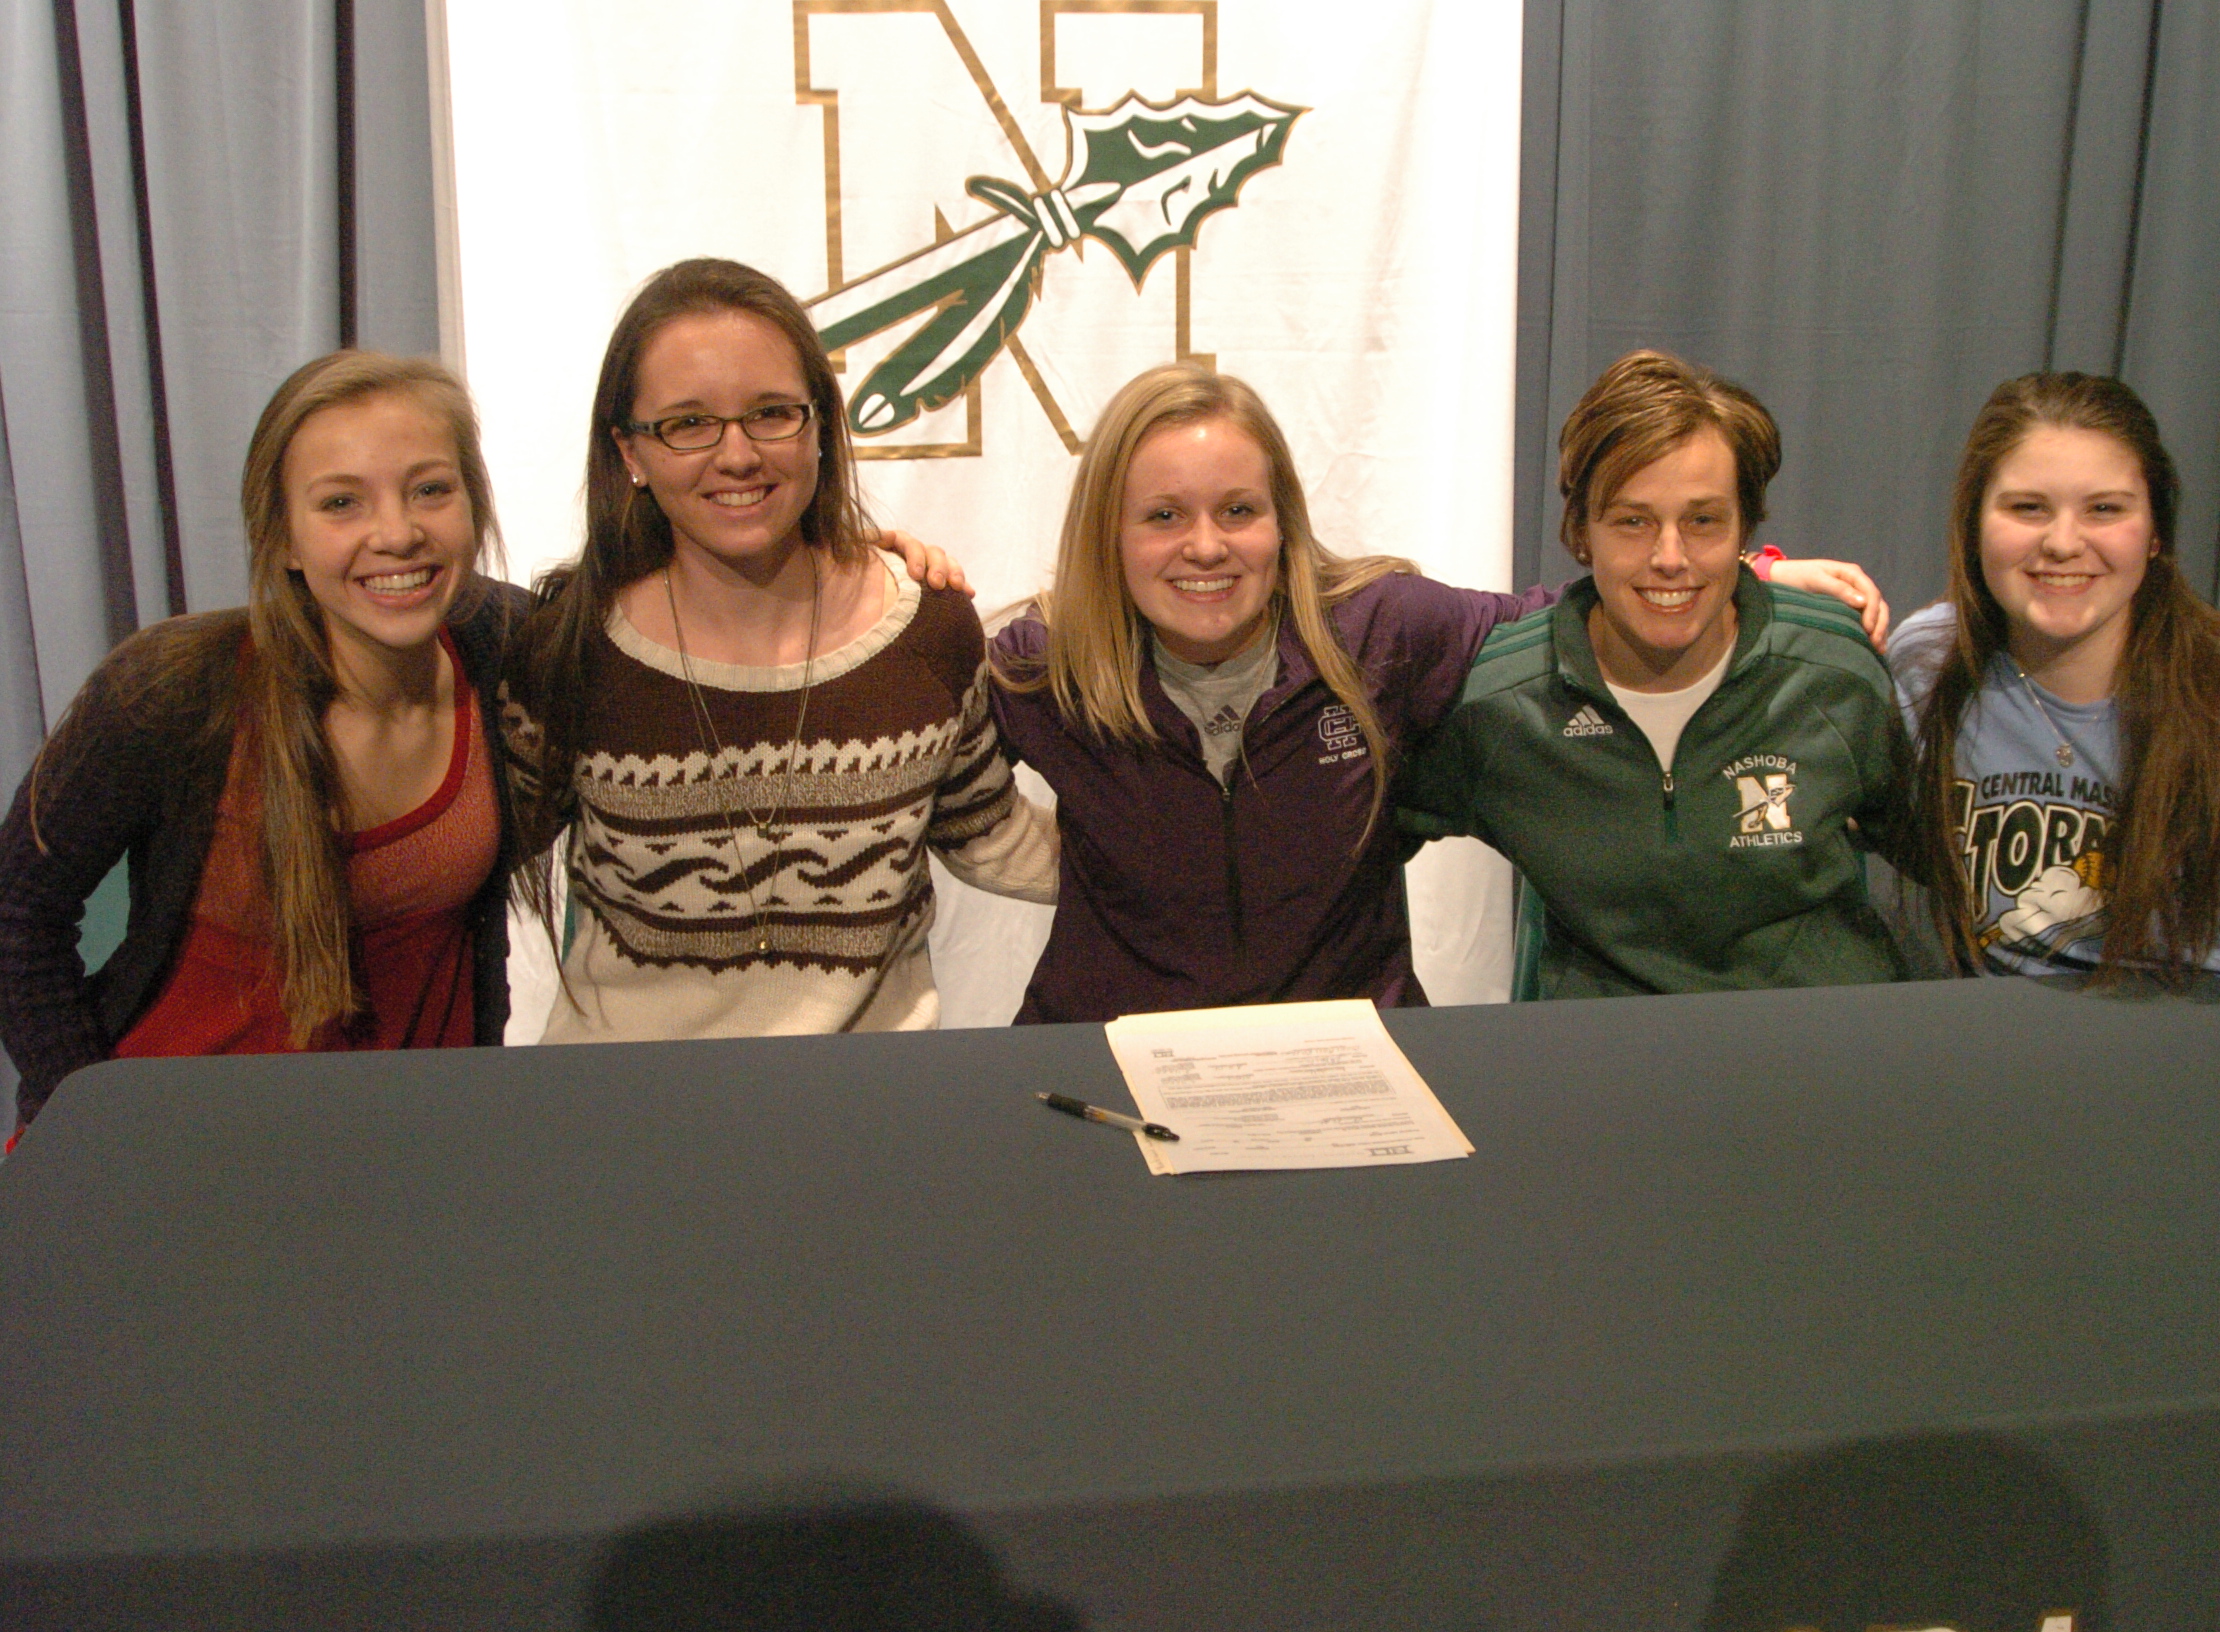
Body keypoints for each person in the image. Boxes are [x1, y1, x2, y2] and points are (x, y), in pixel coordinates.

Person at [988, 360, 1891, 1023]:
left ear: (1283, 520)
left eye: (1238, 510)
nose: (1206, 546)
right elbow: (924, 691)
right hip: (1109, 1054)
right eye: (1162, 515)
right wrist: (905, 572)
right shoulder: (1040, 668)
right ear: (1106, 530)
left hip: (1349, 1062)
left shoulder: (1381, 631)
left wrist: (1747, 577)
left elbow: (1569, 614)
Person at [501, 258, 1055, 1041]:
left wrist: (1200, 855)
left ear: (820, 424)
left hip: (863, 1101)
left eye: (771, 413)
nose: (737, 455)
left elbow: (991, 835)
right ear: (630, 452)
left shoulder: (927, 632)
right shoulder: (568, 650)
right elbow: (464, 859)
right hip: (625, 1100)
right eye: (688, 424)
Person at [0, 351, 530, 1139]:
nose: (397, 533)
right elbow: (17, 915)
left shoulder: (510, 648)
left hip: (411, 1152)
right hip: (165, 1156)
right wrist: (96, 1124)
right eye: (342, 502)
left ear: (474, 506)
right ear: (282, 539)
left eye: (430, 490)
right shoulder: (172, 691)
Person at [1888, 372, 2220, 1063]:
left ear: (2156, 533)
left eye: (2104, 509)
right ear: (1974, 525)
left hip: (2210, 1076)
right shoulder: (1928, 661)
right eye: (2028, 508)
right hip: (1999, 1064)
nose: (2063, 542)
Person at [1396, 349, 1911, 997]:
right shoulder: (1503, 702)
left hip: (1817, 1043)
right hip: (1604, 1051)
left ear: (1745, 531)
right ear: (1580, 532)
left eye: (1703, 520)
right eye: (1633, 521)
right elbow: (1350, 854)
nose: (1670, 557)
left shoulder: (1836, 670)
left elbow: (1943, 860)